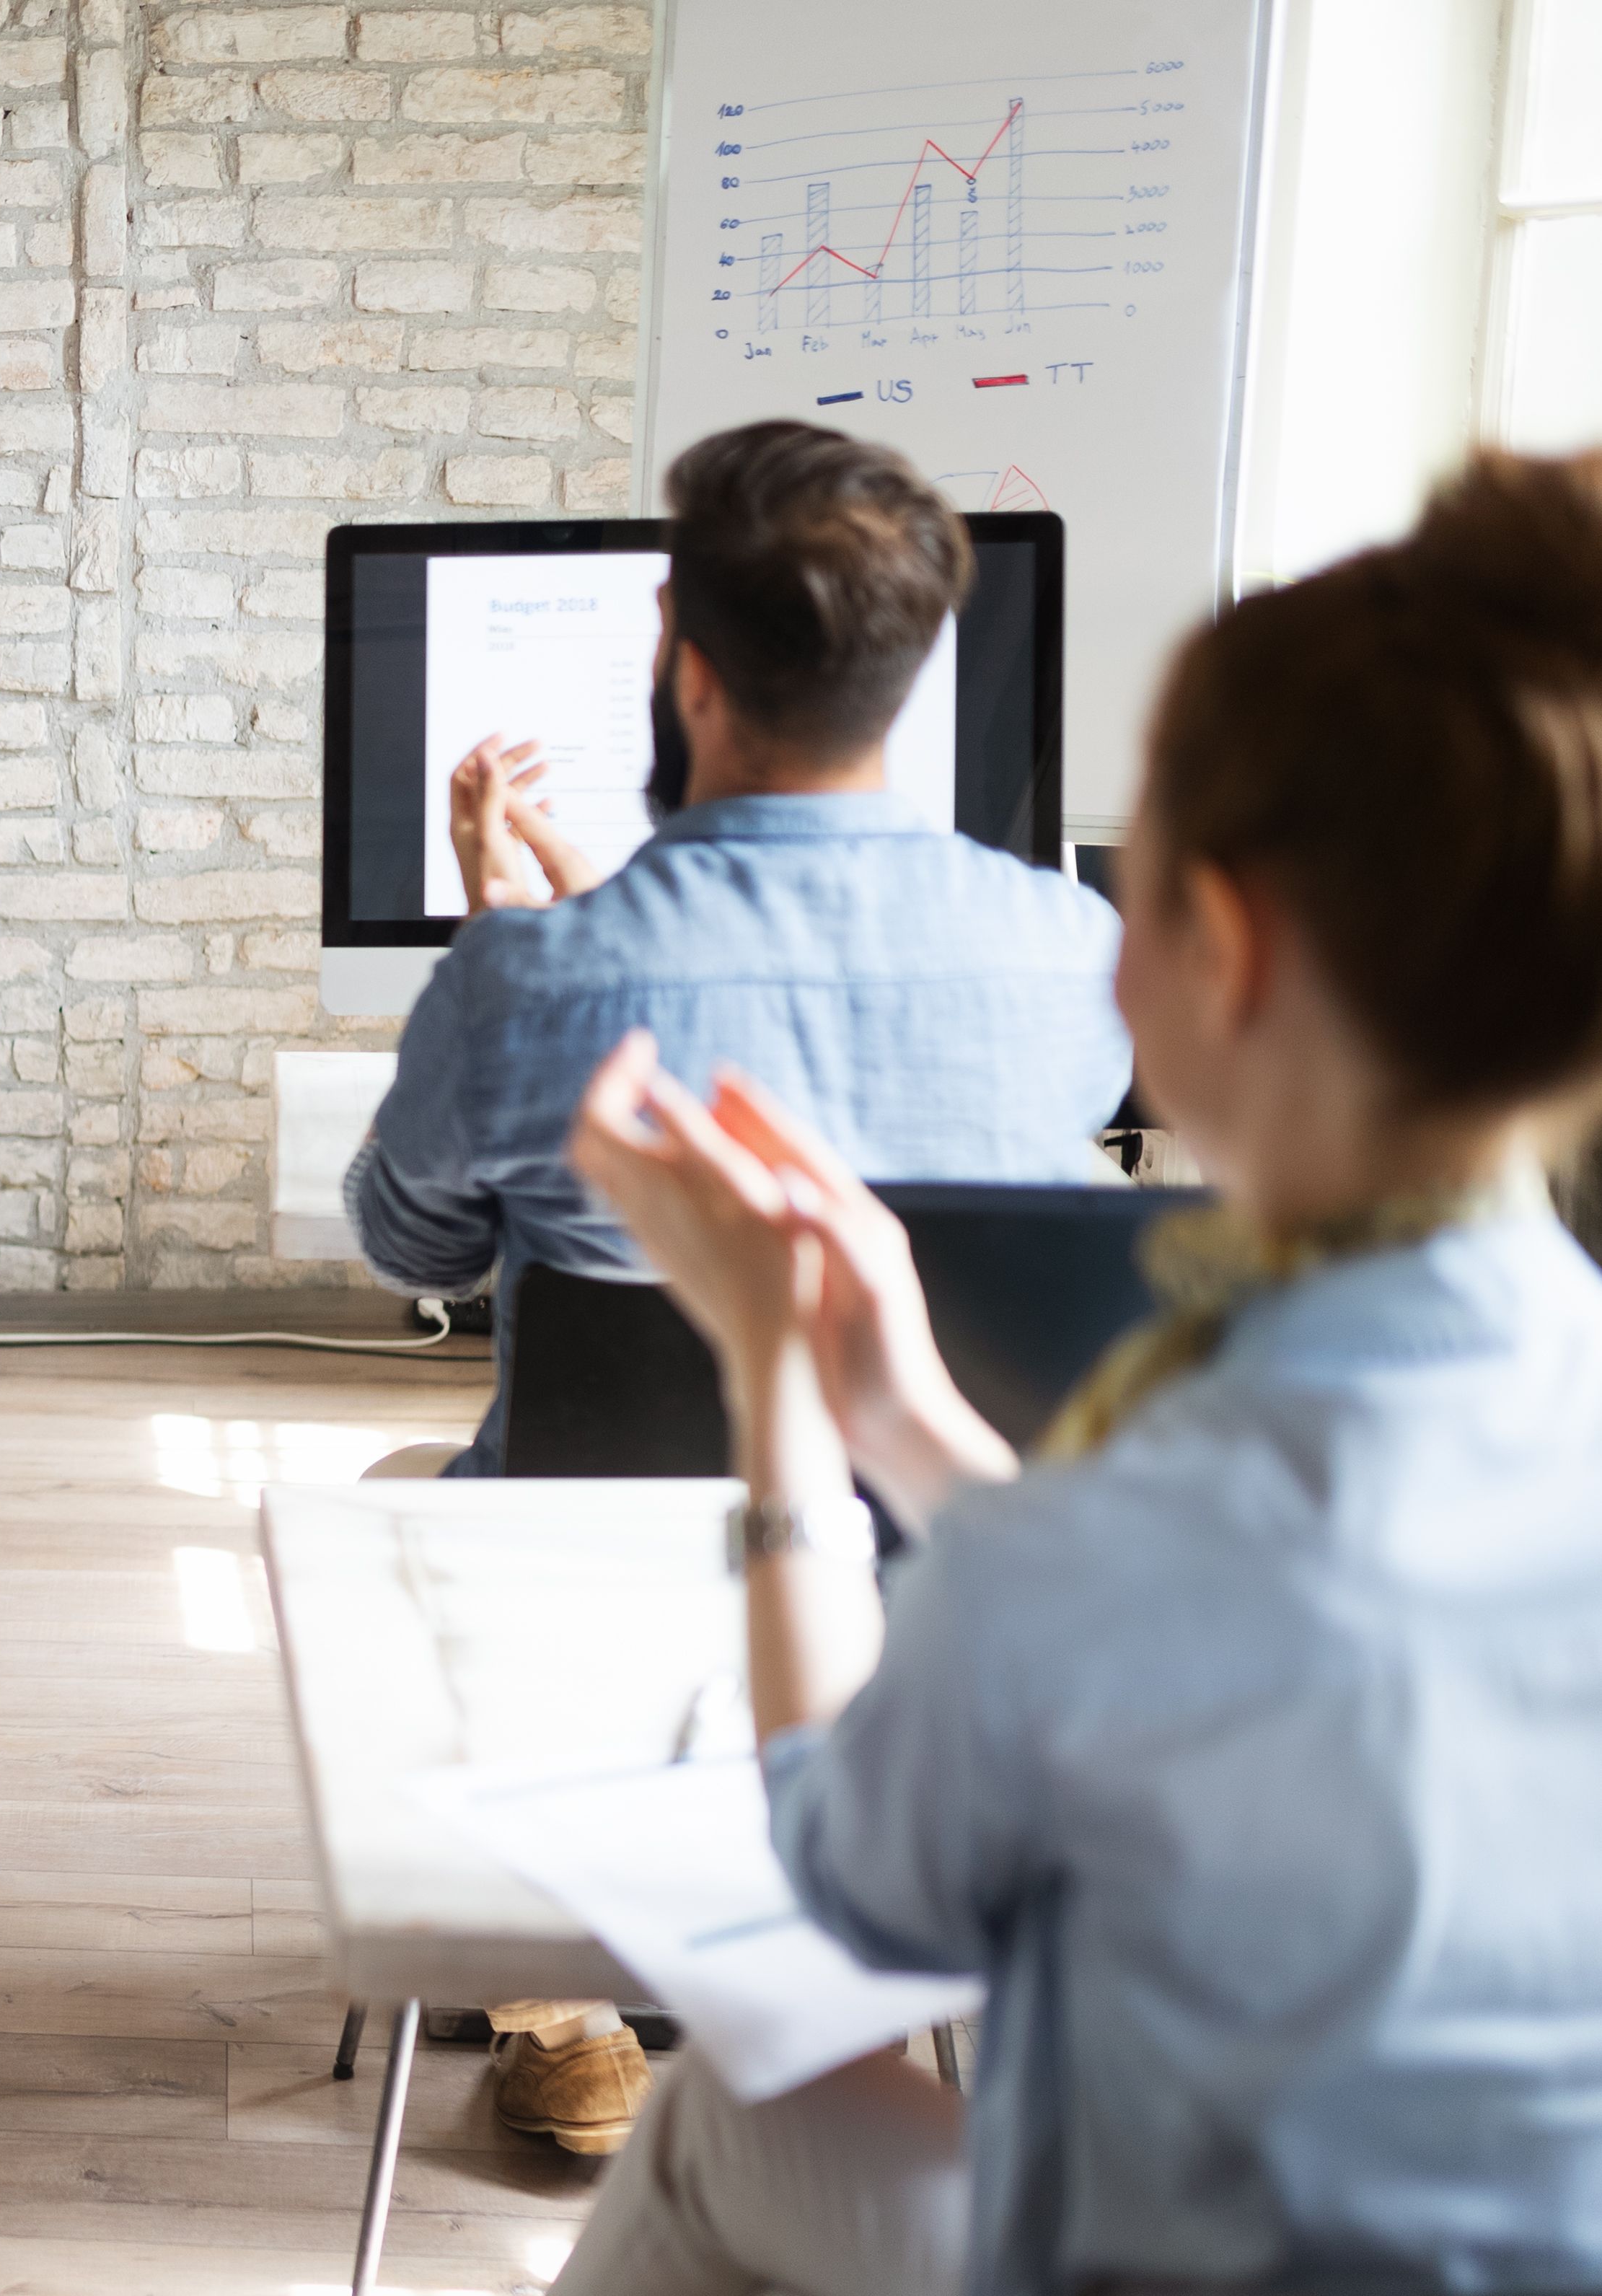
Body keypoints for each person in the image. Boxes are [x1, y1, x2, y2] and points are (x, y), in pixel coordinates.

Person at [554, 449, 1602, 2293]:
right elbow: (1219, 1629)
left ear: (1226, 944)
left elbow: (853, 1886)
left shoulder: (1123, 1539)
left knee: (739, 2099)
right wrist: (911, 1421)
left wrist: (779, 1395)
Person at [346, 421, 1134, 2155]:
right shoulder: (1072, 954)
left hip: (603, 1616)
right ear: (910, 665)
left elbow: (408, 1249)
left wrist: (508, 935)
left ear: (682, 671)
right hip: (945, 1616)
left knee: (402, 1510)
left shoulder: (530, 985)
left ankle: (551, 2004)